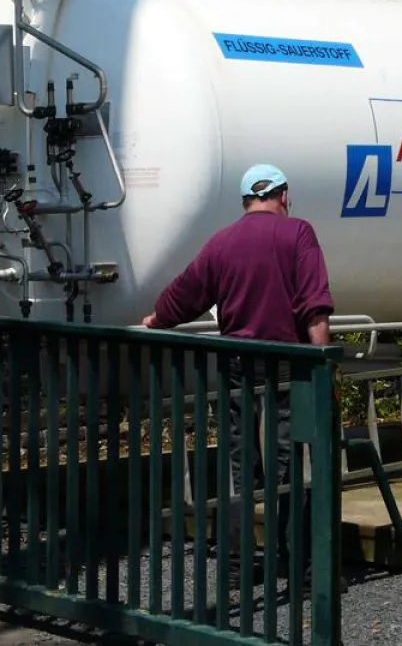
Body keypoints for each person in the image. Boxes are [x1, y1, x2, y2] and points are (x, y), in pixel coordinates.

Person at [142, 163, 337, 591]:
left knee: (238, 465)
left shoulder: (222, 242)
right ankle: (301, 568)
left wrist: (157, 319)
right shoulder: (298, 233)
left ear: (246, 200)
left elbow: (185, 294)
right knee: (292, 465)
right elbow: (314, 306)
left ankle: (237, 565)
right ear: (284, 196)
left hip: (238, 365)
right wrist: (324, 362)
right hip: (289, 365)